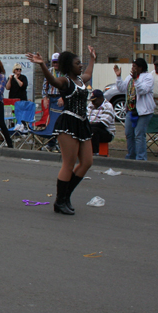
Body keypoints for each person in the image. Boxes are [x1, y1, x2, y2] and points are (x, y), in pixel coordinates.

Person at [28, 47, 97, 215]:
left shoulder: (81, 80)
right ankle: (60, 201)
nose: (81, 65)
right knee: (69, 163)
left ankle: (66, 196)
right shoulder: (65, 81)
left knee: (87, 162)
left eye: (81, 62)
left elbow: (89, 72)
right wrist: (43, 65)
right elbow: (52, 81)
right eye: (77, 63)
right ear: (68, 65)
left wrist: (93, 58)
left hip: (82, 123)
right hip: (68, 123)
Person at [114, 58, 154, 161]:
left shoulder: (148, 77)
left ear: (141, 68)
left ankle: (141, 158)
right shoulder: (130, 77)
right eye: (132, 67)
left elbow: (142, 90)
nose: (133, 69)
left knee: (139, 135)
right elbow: (122, 88)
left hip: (143, 111)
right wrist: (119, 77)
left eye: (135, 67)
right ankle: (131, 156)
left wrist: (136, 79)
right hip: (131, 110)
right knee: (129, 134)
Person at [41, 53, 62, 151]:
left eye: (57, 62)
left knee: (59, 122)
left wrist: (63, 97)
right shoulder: (50, 71)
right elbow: (45, 85)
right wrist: (45, 98)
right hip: (51, 98)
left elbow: (67, 86)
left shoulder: (65, 72)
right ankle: (51, 144)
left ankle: (59, 143)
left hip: (60, 98)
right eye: (54, 62)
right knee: (51, 121)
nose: (56, 64)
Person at [88, 89, 115, 155]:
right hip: (91, 127)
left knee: (93, 130)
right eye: (92, 101)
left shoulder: (108, 106)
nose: (93, 103)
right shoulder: (90, 105)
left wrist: (88, 125)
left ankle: (95, 152)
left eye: (95, 101)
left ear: (101, 98)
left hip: (107, 133)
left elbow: (103, 124)